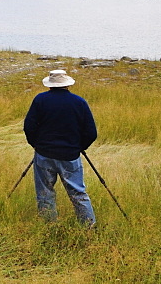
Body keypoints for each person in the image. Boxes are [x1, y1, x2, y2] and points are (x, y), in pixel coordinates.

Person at [23, 69, 98, 226]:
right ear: (67, 85)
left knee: (45, 193)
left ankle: (48, 226)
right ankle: (88, 227)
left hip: (44, 154)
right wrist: (78, 148)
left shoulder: (40, 100)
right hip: (70, 156)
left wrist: (37, 145)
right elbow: (91, 133)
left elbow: (29, 127)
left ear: (50, 85)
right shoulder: (79, 102)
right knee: (78, 193)